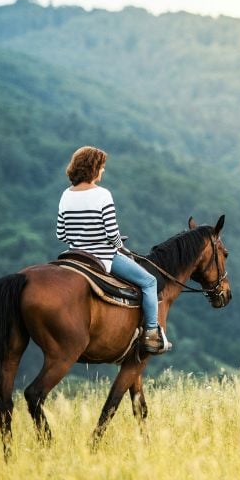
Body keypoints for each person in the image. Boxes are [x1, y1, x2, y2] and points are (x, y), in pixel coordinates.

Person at [56, 146, 171, 355]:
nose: (103, 171)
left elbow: (61, 234)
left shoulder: (66, 195)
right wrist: (120, 245)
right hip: (102, 257)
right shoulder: (102, 195)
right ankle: (152, 333)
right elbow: (111, 234)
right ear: (93, 168)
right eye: (101, 167)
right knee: (149, 282)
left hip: (74, 257)